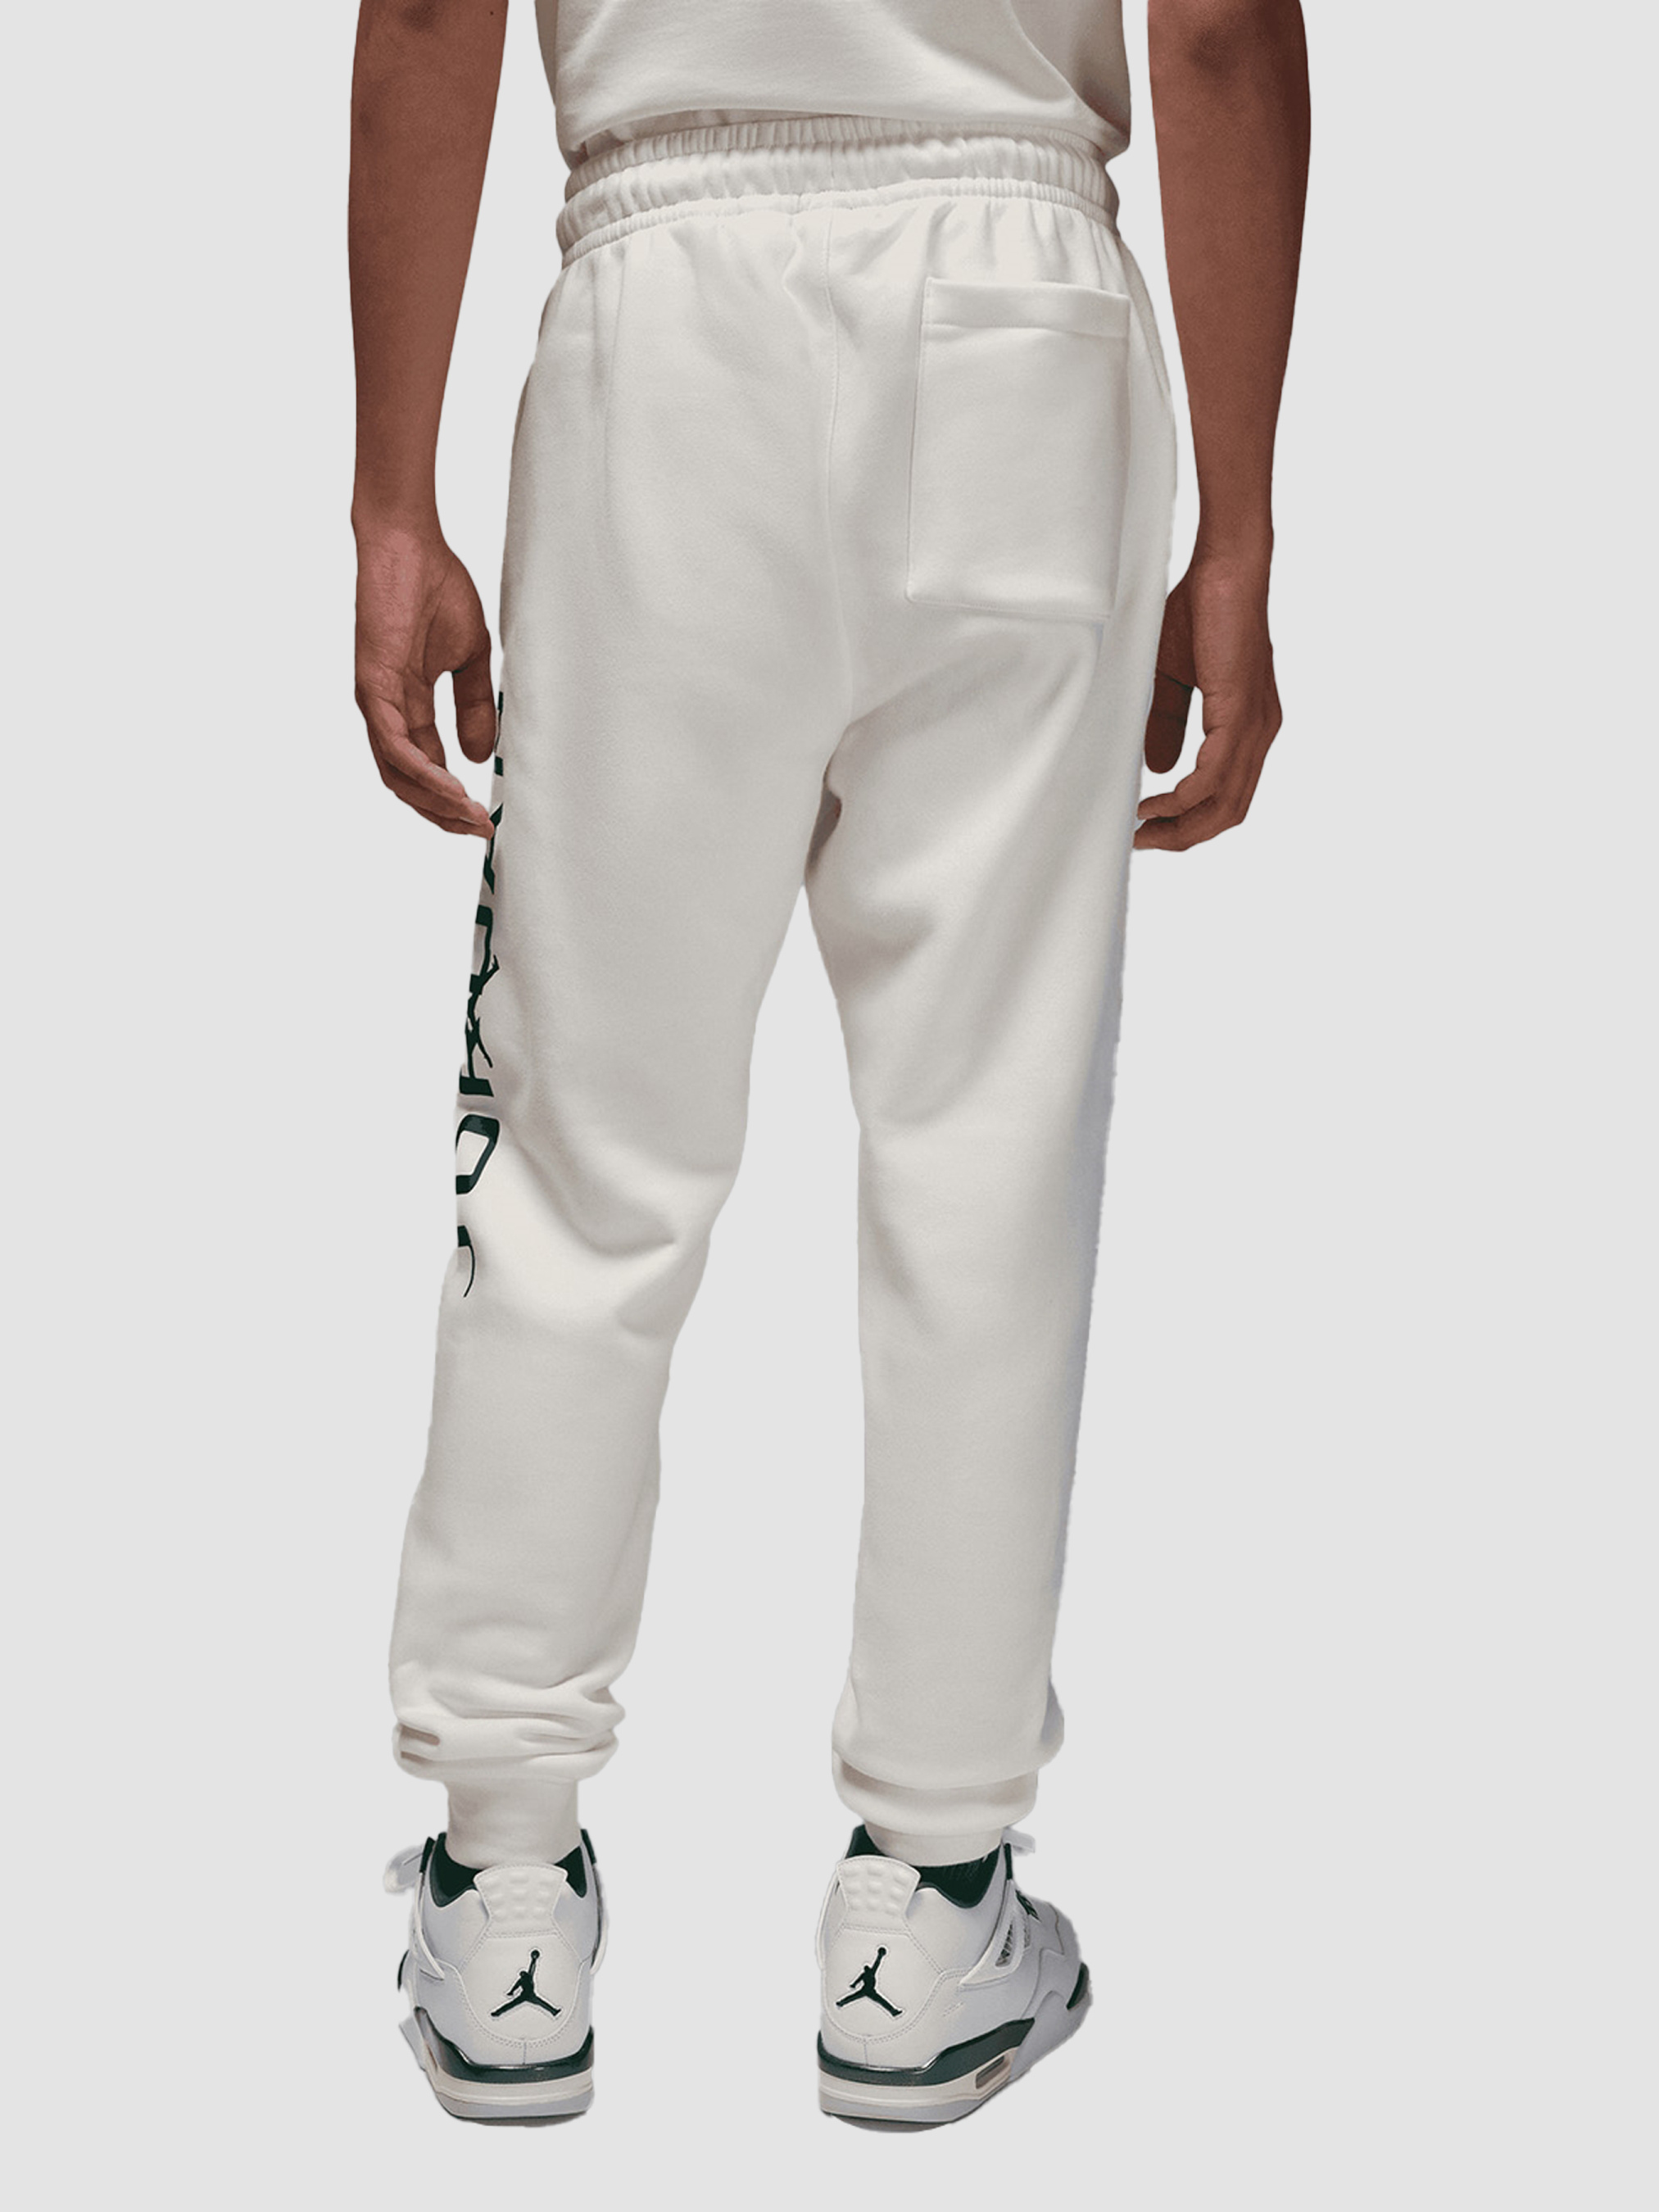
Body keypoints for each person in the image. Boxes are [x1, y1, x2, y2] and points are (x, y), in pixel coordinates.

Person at [352, 0, 1308, 2127]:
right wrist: (1239, 526)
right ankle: (930, 1905)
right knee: (987, 1147)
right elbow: (1220, 29)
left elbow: (427, 8)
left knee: (586, 1151)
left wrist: (390, 497)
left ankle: (504, 1891)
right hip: (1019, 316)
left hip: (669, 304)